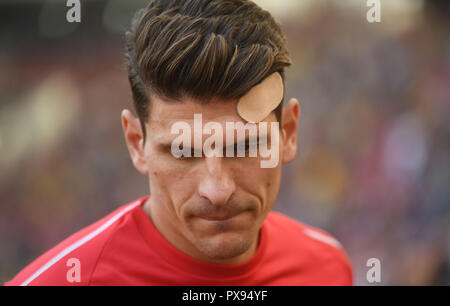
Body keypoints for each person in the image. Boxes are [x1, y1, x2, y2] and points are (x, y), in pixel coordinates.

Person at [5, 0, 352, 286]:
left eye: (244, 147)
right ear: (136, 143)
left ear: (288, 133)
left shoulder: (327, 267)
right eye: (182, 151)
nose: (217, 190)